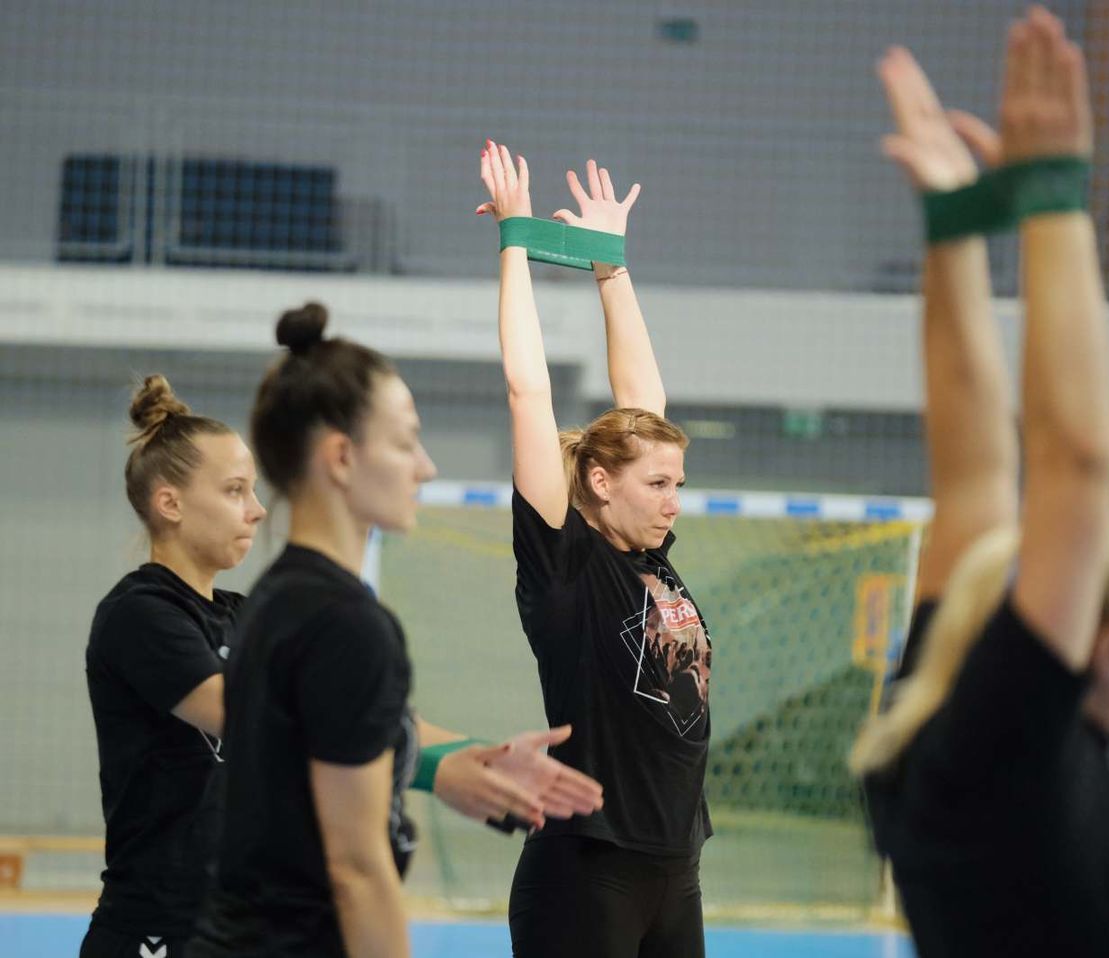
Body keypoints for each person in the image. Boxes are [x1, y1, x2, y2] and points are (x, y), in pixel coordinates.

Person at [852, 8, 1109, 957]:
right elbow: (1075, 463)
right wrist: (1056, 200)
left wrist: (957, 228)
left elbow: (976, 468)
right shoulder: (1004, 754)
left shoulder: (947, 714)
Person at [187, 304, 603, 958]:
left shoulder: (278, 600)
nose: (426, 467)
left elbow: (318, 752)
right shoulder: (347, 624)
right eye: (407, 442)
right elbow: (357, 869)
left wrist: (448, 766)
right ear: (342, 458)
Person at [478, 144, 711, 957]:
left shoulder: (655, 556)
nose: (672, 502)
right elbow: (527, 390)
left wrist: (612, 267)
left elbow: (644, 407)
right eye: (658, 486)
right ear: (602, 482)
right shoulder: (567, 565)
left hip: (675, 868)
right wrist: (516, 239)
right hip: (587, 870)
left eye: (677, 484)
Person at [82, 375, 266, 958]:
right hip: (155, 933)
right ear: (171, 502)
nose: (257, 510)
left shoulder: (247, 615)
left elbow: (343, 704)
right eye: (236, 490)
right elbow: (243, 713)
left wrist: (450, 756)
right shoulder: (140, 615)